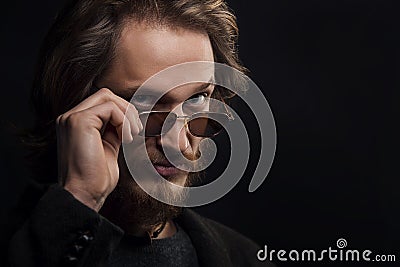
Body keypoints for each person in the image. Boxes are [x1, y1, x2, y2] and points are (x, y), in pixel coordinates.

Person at [7, 0, 275, 266]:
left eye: (196, 99)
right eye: (144, 102)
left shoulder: (247, 259)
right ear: (76, 103)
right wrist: (81, 199)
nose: (178, 143)